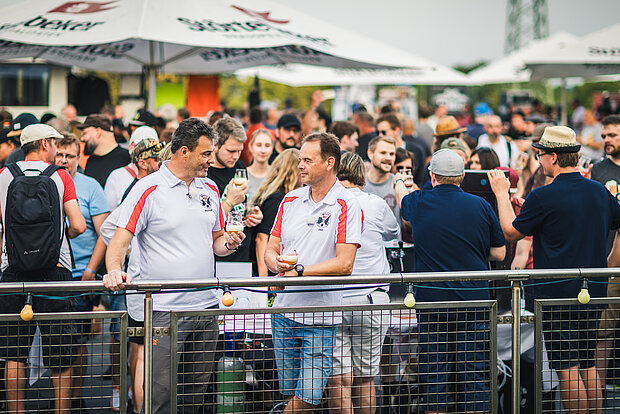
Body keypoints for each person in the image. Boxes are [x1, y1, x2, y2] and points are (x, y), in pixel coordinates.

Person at [103, 118, 244, 413]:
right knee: (161, 396)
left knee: (195, 396)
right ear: (183, 152)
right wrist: (114, 269)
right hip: (164, 311)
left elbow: (216, 241)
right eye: (206, 153)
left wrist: (230, 243)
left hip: (206, 307)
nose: (211, 159)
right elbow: (118, 240)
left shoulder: (210, 188)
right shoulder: (148, 188)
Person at [488, 125, 620, 413]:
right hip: (594, 288)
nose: (539, 160)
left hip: (556, 294)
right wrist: (611, 262)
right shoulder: (598, 191)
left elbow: (510, 231)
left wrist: (501, 193)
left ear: (554, 157)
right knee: (587, 364)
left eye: (540, 155)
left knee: (567, 369)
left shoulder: (543, 195)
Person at [398, 149, 506, 413]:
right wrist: (472, 251)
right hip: (474, 302)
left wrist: (399, 182)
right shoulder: (480, 205)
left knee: (434, 376)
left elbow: (402, 202)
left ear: (432, 176)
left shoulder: (419, 201)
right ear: (463, 176)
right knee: (475, 374)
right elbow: (499, 253)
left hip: (433, 304)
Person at [264, 132, 362, 413]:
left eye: (307, 160)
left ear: (329, 163)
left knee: (308, 397)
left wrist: (300, 271)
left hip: (321, 316)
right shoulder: (290, 200)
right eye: (300, 159)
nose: (300, 165)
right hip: (283, 313)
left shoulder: (346, 203)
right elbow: (271, 249)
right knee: (289, 393)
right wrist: (276, 265)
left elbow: (345, 264)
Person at [0, 123, 86, 413]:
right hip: (55, 270)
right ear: (45, 143)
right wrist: (59, 236)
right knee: (60, 353)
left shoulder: (4, 175)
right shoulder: (61, 176)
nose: (57, 150)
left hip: (13, 271)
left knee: (14, 354)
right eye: (55, 143)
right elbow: (78, 225)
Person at [328, 152, 399, 414]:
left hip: (333, 298)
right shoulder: (375, 203)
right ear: (362, 175)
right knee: (366, 377)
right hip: (370, 298)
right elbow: (393, 233)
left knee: (338, 378)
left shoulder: (327, 202)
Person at [209, 117, 263, 263]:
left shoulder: (239, 166)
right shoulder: (205, 174)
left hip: (243, 252)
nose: (236, 156)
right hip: (218, 256)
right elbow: (206, 223)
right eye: (231, 151)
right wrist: (229, 202)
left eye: (239, 151)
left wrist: (251, 213)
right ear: (215, 145)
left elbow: (242, 205)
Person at [253, 148, 301, 276]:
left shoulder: (286, 197)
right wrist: (264, 279)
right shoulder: (277, 198)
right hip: (270, 269)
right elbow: (262, 238)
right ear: (293, 171)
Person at [104, 125, 159, 210]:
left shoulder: (163, 176)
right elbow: (110, 213)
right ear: (130, 149)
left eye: (151, 147)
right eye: (140, 146)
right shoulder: (116, 177)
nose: (146, 150)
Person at [79, 114, 131, 188]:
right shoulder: (91, 161)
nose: (82, 138)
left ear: (98, 132)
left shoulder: (127, 158)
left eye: (85, 133)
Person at [363, 135, 399, 220]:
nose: (388, 158)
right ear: (370, 154)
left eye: (392, 154)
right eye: (383, 153)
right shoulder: (359, 184)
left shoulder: (398, 184)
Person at [246, 128, 274, 202]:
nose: (263, 150)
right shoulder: (243, 175)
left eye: (267, 146)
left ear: (272, 148)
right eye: (258, 145)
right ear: (250, 147)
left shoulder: (277, 174)